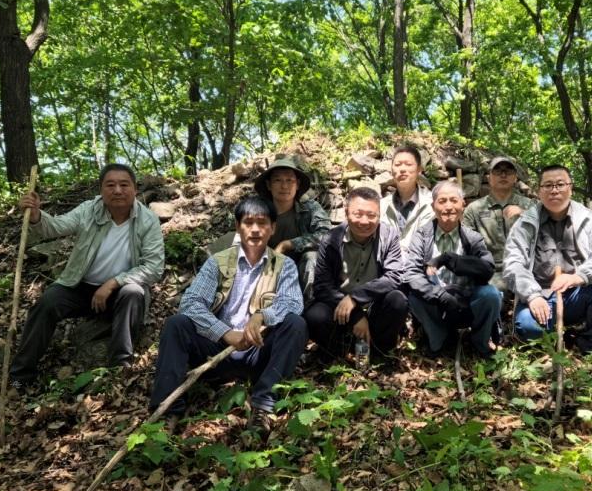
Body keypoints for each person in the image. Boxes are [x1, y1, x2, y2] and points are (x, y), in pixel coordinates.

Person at [149, 196, 307, 442]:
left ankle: (263, 405)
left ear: (273, 228)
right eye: (248, 223)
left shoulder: (283, 265)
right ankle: (166, 412)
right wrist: (224, 332)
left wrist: (262, 316)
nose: (255, 229)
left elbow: (293, 303)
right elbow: (191, 303)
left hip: (258, 351)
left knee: (296, 324)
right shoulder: (218, 262)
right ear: (237, 227)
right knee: (176, 324)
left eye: (262, 223)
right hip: (216, 350)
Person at [10, 164, 165, 389]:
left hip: (119, 292)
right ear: (101, 190)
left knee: (133, 292)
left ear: (134, 189)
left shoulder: (148, 220)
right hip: (80, 287)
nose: (117, 190)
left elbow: (154, 267)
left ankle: (119, 368)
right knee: (47, 302)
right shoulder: (89, 210)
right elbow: (56, 227)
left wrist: (113, 283)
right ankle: (20, 376)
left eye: (124, 185)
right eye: (110, 185)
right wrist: (36, 216)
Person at [504, 164, 592, 354]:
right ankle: (553, 340)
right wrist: (533, 296)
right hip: (541, 296)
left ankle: (590, 344)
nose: (554, 190)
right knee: (527, 326)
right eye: (548, 185)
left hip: (579, 293)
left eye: (560, 184)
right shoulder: (525, 223)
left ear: (570, 188)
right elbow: (513, 264)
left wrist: (579, 276)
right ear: (539, 191)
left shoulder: (588, 219)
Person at [304, 187, 408, 362]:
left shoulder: (389, 236)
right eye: (358, 214)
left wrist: (355, 297)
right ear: (346, 213)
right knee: (315, 315)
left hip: (375, 305)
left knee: (398, 300)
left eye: (371, 215)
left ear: (379, 215)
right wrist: (356, 315)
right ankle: (337, 352)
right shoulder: (331, 240)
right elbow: (322, 287)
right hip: (340, 307)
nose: (364, 221)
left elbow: (394, 276)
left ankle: (380, 352)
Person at [406, 181, 502, 358]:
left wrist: (453, 260)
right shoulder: (422, 236)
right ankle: (439, 339)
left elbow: (487, 268)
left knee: (490, 294)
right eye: (442, 201)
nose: (448, 206)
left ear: (462, 205)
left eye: (453, 200)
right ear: (433, 206)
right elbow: (411, 273)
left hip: (467, 303)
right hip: (436, 303)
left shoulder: (472, 237)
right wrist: (439, 295)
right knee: (414, 297)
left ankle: (480, 342)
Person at [253, 155, 331, 301]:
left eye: (289, 180)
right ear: (269, 185)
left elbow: (326, 234)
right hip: (267, 269)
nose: (284, 186)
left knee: (312, 257)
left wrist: (288, 244)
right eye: (278, 180)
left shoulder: (309, 208)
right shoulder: (257, 211)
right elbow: (244, 240)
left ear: (298, 184)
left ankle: (309, 305)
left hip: (300, 269)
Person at [462, 156, 533, 291]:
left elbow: (543, 236)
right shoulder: (474, 209)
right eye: (497, 171)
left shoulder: (529, 206)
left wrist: (524, 214)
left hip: (525, 268)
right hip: (490, 271)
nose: (503, 175)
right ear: (489, 178)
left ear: (515, 178)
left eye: (508, 171)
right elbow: (466, 245)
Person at [380, 145, 434, 253]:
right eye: (397, 165)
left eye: (408, 164)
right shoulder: (381, 206)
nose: (402, 169)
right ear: (392, 170)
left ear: (419, 170)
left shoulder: (432, 203)